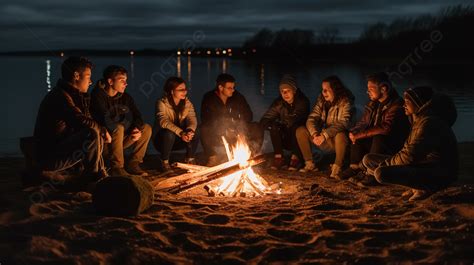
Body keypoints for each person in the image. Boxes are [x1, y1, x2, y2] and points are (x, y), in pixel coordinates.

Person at [362, 87, 458, 201]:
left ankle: (425, 188)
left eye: (407, 102)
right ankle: (415, 186)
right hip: (422, 164)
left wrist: (386, 164)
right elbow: (408, 153)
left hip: (438, 172)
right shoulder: (418, 120)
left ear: (418, 103)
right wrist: (387, 163)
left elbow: (410, 155)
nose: (404, 105)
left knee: (380, 173)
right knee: (368, 159)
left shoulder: (429, 123)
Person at [32, 56, 108, 185]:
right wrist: (102, 130)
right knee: (91, 132)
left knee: (95, 131)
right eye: (88, 76)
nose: (90, 82)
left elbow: (85, 121)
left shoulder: (73, 95)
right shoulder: (60, 96)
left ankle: (98, 173)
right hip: (49, 157)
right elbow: (80, 121)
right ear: (76, 76)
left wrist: (100, 130)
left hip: (61, 150)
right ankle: (94, 178)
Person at [340, 72, 410, 183]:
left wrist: (359, 134)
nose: (367, 92)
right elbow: (364, 122)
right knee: (358, 137)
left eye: (371, 89)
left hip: (393, 145)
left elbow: (386, 128)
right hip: (376, 144)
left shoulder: (397, 105)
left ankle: (371, 173)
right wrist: (354, 132)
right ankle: (355, 168)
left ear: (383, 89)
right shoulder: (373, 104)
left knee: (379, 136)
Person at [91, 65, 151, 177]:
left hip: (119, 140)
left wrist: (135, 128)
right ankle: (117, 167)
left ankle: (134, 163)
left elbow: (137, 115)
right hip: (105, 142)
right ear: (110, 81)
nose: (125, 84)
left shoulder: (126, 98)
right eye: (122, 80)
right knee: (118, 127)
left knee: (146, 128)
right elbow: (104, 119)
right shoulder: (97, 96)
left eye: (126, 80)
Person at [296, 76, 355, 177]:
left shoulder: (346, 102)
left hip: (339, 142)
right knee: (301, 130)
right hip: (323, 139)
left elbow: (344, 123)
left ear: (335, 89)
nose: (323, 92)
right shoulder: (322, 101)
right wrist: (315, 134)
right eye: (322, 90)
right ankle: (310, 164)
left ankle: (337, 168)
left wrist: (325, 135)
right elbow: (312, 118)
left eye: (326, 90)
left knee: (341, 134)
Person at [200, 73, 264, 166]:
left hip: (236, 130)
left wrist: (239, 128)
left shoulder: (237, 97)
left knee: (257, 126)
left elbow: (248, 114)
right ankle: (213, 157)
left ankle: (252, 154)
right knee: (203, 128)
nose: (233, 90)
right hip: (217, 131)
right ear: (220, 87)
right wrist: (224, 128)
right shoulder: (209, 98)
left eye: (233, 87)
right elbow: (206, 118)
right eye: (229, 88)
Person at [260, 75, 310, 170]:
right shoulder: (279, 103)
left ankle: (296, 158)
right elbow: (265, 119)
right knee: (274, 126)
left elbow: (296, 119)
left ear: (294, 91)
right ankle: (279, 158)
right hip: (285, 136)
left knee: (296, 126)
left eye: (288, 90)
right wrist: (271, 126)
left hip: (299, 139)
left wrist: (281, 122)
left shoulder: (303, 101)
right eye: (282, 91)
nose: (285, 94)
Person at [153, 77, 198, 171]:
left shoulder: (187, 103)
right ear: (172, 91)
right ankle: (164, 161)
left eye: (185, 89)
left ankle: (189, 159)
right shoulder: (162, 103)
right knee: (168, 133)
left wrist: (190, 131)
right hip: (162, 141)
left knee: (196, 131)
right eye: (181, 90)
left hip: (181, 138)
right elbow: (163, 121)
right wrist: (181, 133)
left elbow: (192, 119)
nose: (185, 92)